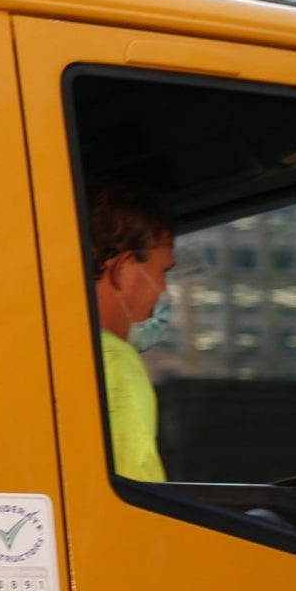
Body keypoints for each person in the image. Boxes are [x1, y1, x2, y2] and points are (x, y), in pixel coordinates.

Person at [89, 176, 177, 484]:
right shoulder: (110, 361)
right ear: (123, 267)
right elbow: (137, 511)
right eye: (162, 272)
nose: (164, 290)